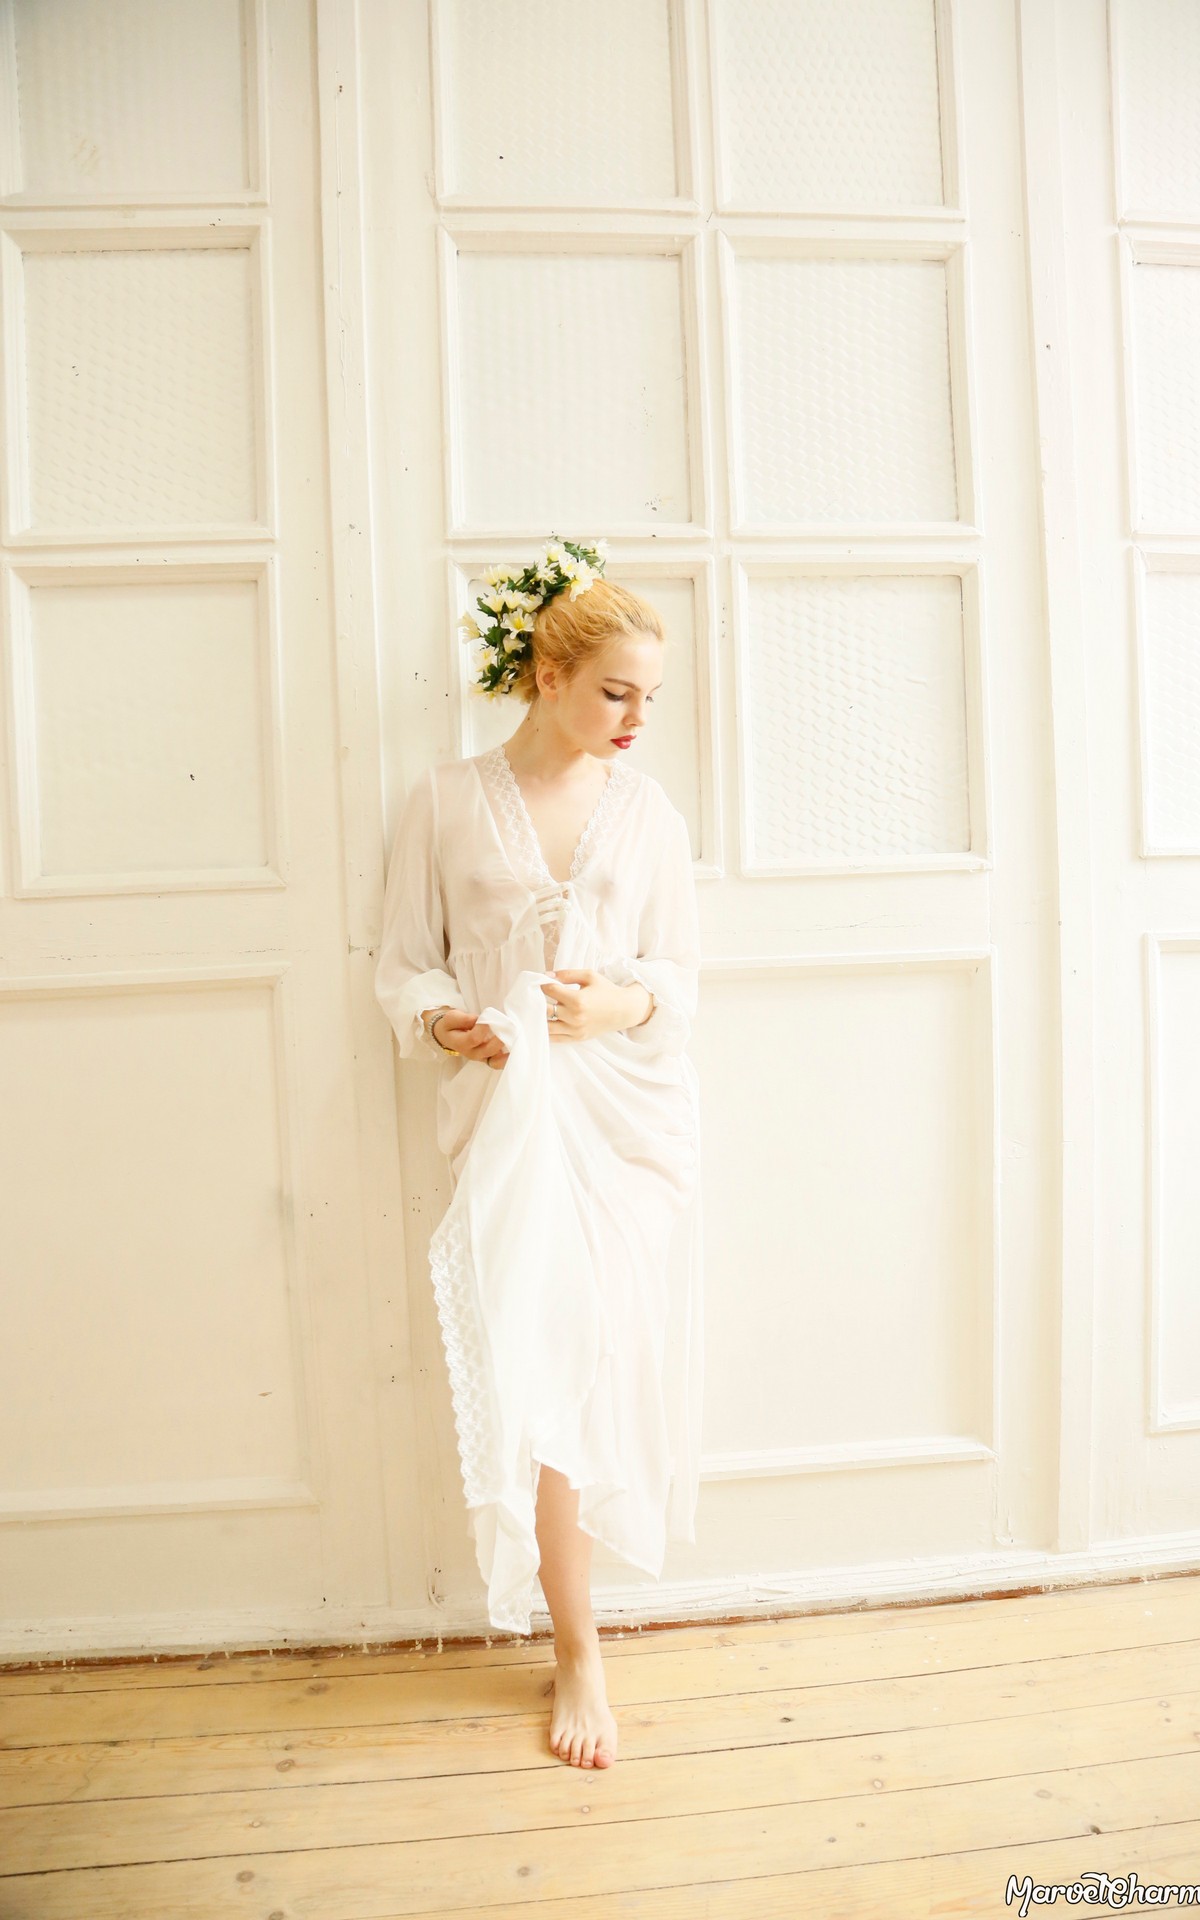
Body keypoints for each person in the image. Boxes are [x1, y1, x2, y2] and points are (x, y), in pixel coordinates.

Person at [373, 538, 703, 1770]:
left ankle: (579, 1636)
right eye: (615, 691)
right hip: (507, 1117)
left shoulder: (647, 813)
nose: (635, 720)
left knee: (603, 1357)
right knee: (540, 1358)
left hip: (626, 1121)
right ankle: (576, 1644)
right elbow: (403, 962)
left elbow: (677, 974)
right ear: (547, 673)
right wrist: (440, 1023)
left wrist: (617, 1004)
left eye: (648, 698)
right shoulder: (443, 800)